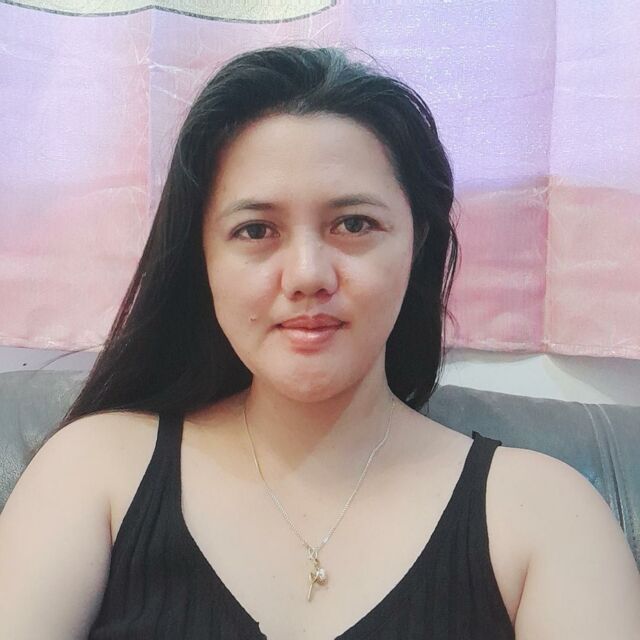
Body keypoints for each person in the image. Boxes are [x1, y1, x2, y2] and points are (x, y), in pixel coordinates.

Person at [0, 44, 638, 640]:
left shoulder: (545, 516)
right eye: (256, 230)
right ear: (203, 259)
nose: (307, 275)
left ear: (417, 244)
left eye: (354, 224)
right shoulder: (94, 473)